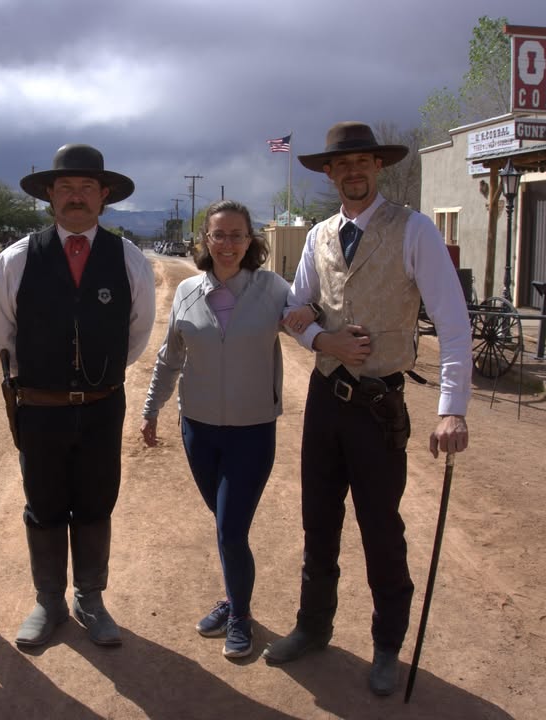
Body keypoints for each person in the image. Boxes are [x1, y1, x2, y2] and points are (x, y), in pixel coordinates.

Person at [265, 122, 471, 696]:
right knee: (318, 523)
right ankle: (312, 626)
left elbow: (454, 326)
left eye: (362, 163)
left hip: (381, 407)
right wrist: (320, 343)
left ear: (378, 167)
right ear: (329, 174)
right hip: (326, 403)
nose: (352, 172)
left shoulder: (414, 230)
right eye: (341, 165)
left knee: (382, 529)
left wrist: (452, 409)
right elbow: (297, 310)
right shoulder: (318, 237)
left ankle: (386, 645)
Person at [0, 144, 155, 647]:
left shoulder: (128, 258)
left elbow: (137, 332)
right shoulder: (15, 260)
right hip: (39, 410)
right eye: (65, 187)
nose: (76, 197)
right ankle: (49, 601)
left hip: (103, 407)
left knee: (96, 502)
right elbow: (1, 337)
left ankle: (90, 598)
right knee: (44, 504)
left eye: (86, 188)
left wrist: (98, 376)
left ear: (104, 196)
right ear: (49, 196)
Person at [140, 200, 300, 659]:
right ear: (205, 241)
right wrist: (152, 410)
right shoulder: (188, 291)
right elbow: (171, 358)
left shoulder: (273, 289)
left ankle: (240, 617)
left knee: (231, 530)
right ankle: (233, 596)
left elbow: (309, 323)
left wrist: (325, 327)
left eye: (236, 235)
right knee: (226, 524)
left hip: (252, 431)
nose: (227, 244)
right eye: (218, 235)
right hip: (199, 430)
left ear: (251, 241)